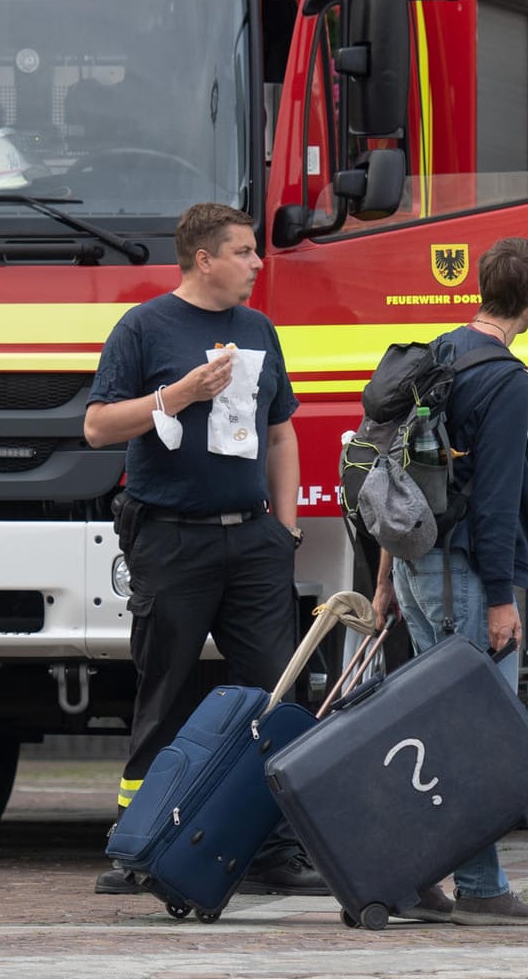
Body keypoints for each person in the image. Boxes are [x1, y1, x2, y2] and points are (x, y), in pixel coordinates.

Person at [84, 202, 324, 896]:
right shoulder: (144, 327)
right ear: (204, 259)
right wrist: (179, 394)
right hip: (170, 537)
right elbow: (99, 426)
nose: (258, 263)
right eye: (245, 252)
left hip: (252, 541)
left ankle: (278, 848)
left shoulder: (259, 330)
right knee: (163, 693)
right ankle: (140, 847)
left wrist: (285, 529)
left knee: (278, 693)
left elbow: (281, 434)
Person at [369, 237, 528, 926]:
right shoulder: (505, 378)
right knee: (475, 732)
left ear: (481, 287)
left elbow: (395, 474)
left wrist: (387, 576)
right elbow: (499, 499)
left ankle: (433, 877)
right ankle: (474, 886)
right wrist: (504, 602)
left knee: (438, 726)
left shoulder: (438, 353)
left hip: (418, 564)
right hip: (467, 574)